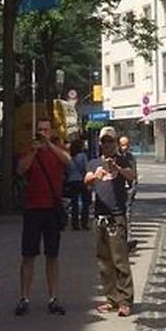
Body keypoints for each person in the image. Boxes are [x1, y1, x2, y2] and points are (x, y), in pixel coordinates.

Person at [14, 115, 71, 316]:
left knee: (52, 255)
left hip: (52, 209)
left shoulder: (58, 150)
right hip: (33, 209)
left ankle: (54, 297)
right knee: (28, 255)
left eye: (46, 129)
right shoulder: (29, 150)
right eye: (40, 130)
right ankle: (24, 297)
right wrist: (35, 149)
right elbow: (21, 170)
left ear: (51, 131)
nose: (43, 133)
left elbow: (68, 161)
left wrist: (50, 145)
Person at [86, 126, 135, 316]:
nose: (107, 145)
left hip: (117, 215)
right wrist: (94, 176)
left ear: (115, 143)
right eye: (104, 142)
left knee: (120, 259)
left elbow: (132, 178)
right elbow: (86, 181)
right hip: (100, 215)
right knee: (104, 260)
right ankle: (111, 298)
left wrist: (119, 169)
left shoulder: (124, 160)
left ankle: (125, 300)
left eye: (110, 141)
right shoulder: (93, 163)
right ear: (100, 143)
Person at [117, 134, 139, 246]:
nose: (125, 147)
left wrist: (134, 185)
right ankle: (121, 238)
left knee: (128, 213)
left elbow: (134, 173)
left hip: (129, 189)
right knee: (120, 214)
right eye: (122, 145)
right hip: (118, 190)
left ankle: (128, 238)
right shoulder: (115, 157)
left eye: (127, 145)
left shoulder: (131, 157)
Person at [65, 137, 91, 231]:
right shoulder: (83, 156)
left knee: (74, 203)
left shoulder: (69, 156)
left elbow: (67, 169)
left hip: (72, 181)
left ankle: (75, 223)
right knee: (85, 203)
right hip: (82, 180)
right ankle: (84, 223)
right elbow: (86, 168)